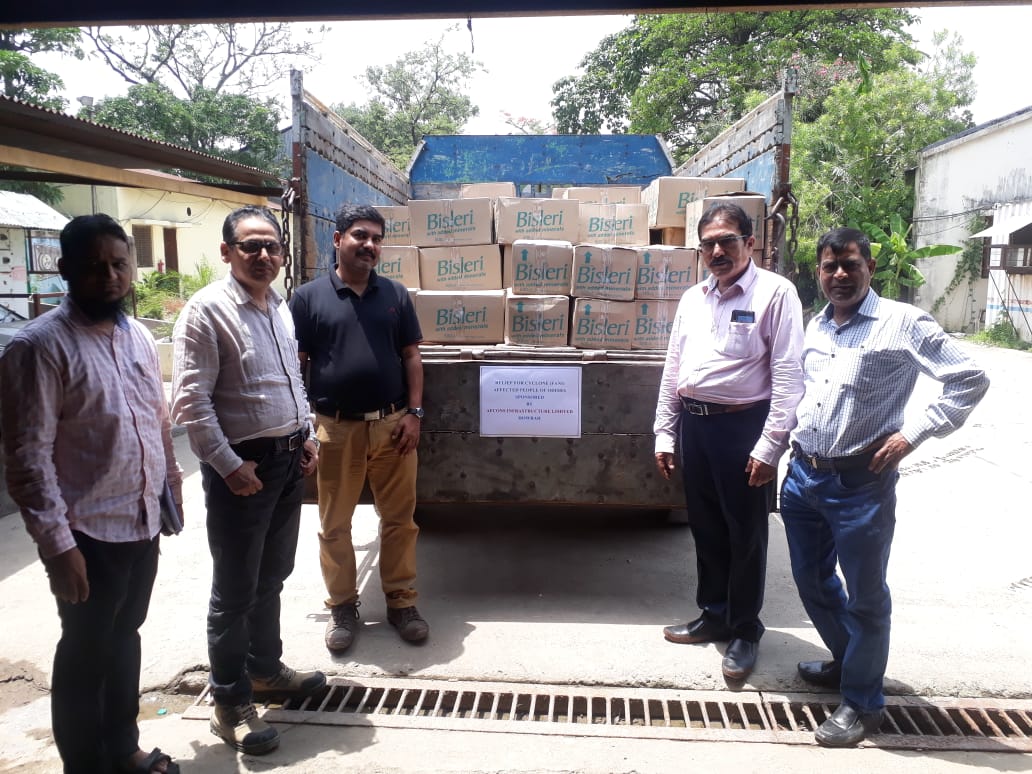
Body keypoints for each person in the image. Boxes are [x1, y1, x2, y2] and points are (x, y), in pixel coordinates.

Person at [780, 227, 989, 747]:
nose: (840, 275)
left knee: (867, 598)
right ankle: (851, 663)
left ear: (869, 268)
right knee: (812, 581)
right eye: (830, 267)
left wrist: (911, 435)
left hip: (859, 485)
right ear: (819, 273)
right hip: (804, 474)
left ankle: (862, 703)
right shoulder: (818, 325)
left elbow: (969, 377)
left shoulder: (903, 323)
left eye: (850, 264)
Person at [0, 214, 183, 774]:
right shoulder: (38, 348)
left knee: (124, 639)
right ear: (66, 272)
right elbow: (27, 460)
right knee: (84, 653)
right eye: (94, 267)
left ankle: (122, 749)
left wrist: (169, 493)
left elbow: (156, 422)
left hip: (140, 521)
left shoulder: (137, 336)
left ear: (132, 268)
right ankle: (86, 765)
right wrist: (58, 549)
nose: (109, 277)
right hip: (86, 534)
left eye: (119, 264)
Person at [172, 205, 326, 756]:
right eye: (250, 246)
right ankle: (230, 700)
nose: (263, 256)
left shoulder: (279, 307)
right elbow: (191, 400)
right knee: (235, 589)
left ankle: (265, 669)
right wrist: (227, 465)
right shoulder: (207, 311)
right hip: (244, 466)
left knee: (273, 574)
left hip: (288, 460)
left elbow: (292, 379)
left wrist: (306, 434)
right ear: (226, 252)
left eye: (272, 247)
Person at [654, 201, 804, 682]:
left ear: (749, 243)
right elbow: (672, 369)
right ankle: (713, 614)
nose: (717, 251)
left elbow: (788, 377)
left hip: (745, 428)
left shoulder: (776, 294)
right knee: (706, 528)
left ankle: (744, 630)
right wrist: (665, 431)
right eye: (709, 244)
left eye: (727, 241)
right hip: (696, 427)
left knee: (747, 535)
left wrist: (769, 447)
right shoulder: (693, 298)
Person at [289, 203, 427, 653]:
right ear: (338, 239)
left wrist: (414, 413)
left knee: (399, 521)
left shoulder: (395, 295)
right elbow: (298, 365)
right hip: (336, 428)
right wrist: (303, 423)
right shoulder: (309, 299)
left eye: (376, 239)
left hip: (392, 426)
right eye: (361, 236)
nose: (370, 245)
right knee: (334, 525)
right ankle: (343, 607)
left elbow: (411, 357)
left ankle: (402, 602)